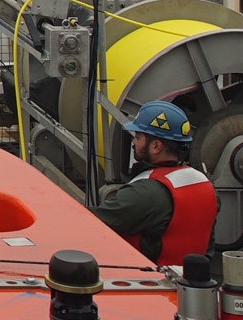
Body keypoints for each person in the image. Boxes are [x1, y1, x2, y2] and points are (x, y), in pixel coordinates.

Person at [93, 101, 217, 265]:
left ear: (156, 146)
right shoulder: (204, 185)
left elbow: (91, 224)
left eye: (138, 137)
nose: (134, 143)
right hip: (189, 284)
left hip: (147, 283)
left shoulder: (144, 193)